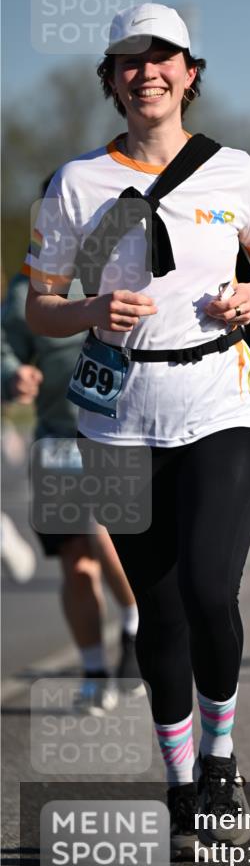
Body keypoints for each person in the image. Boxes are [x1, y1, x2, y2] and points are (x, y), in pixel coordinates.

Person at [24, 3, 250, 858]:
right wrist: (92, 308)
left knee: (213, 590)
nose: (147, 71)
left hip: (224, 400)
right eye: (128, 61)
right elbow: (40, 304)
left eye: (163, 58)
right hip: (116, 417)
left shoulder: (236, 171)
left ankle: (222, 761)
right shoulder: (76, 184)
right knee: (159, 611)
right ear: (110, 80)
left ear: (189, 72)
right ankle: (180, 783)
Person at [2, 221, 140, 712]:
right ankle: (94, 671)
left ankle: (132, 626)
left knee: (102, 536)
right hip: (57, 439)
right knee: (75, 561)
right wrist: (13, 374)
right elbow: (6, 345)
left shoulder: (127, 266)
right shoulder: (28, 286)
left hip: (115, 436)